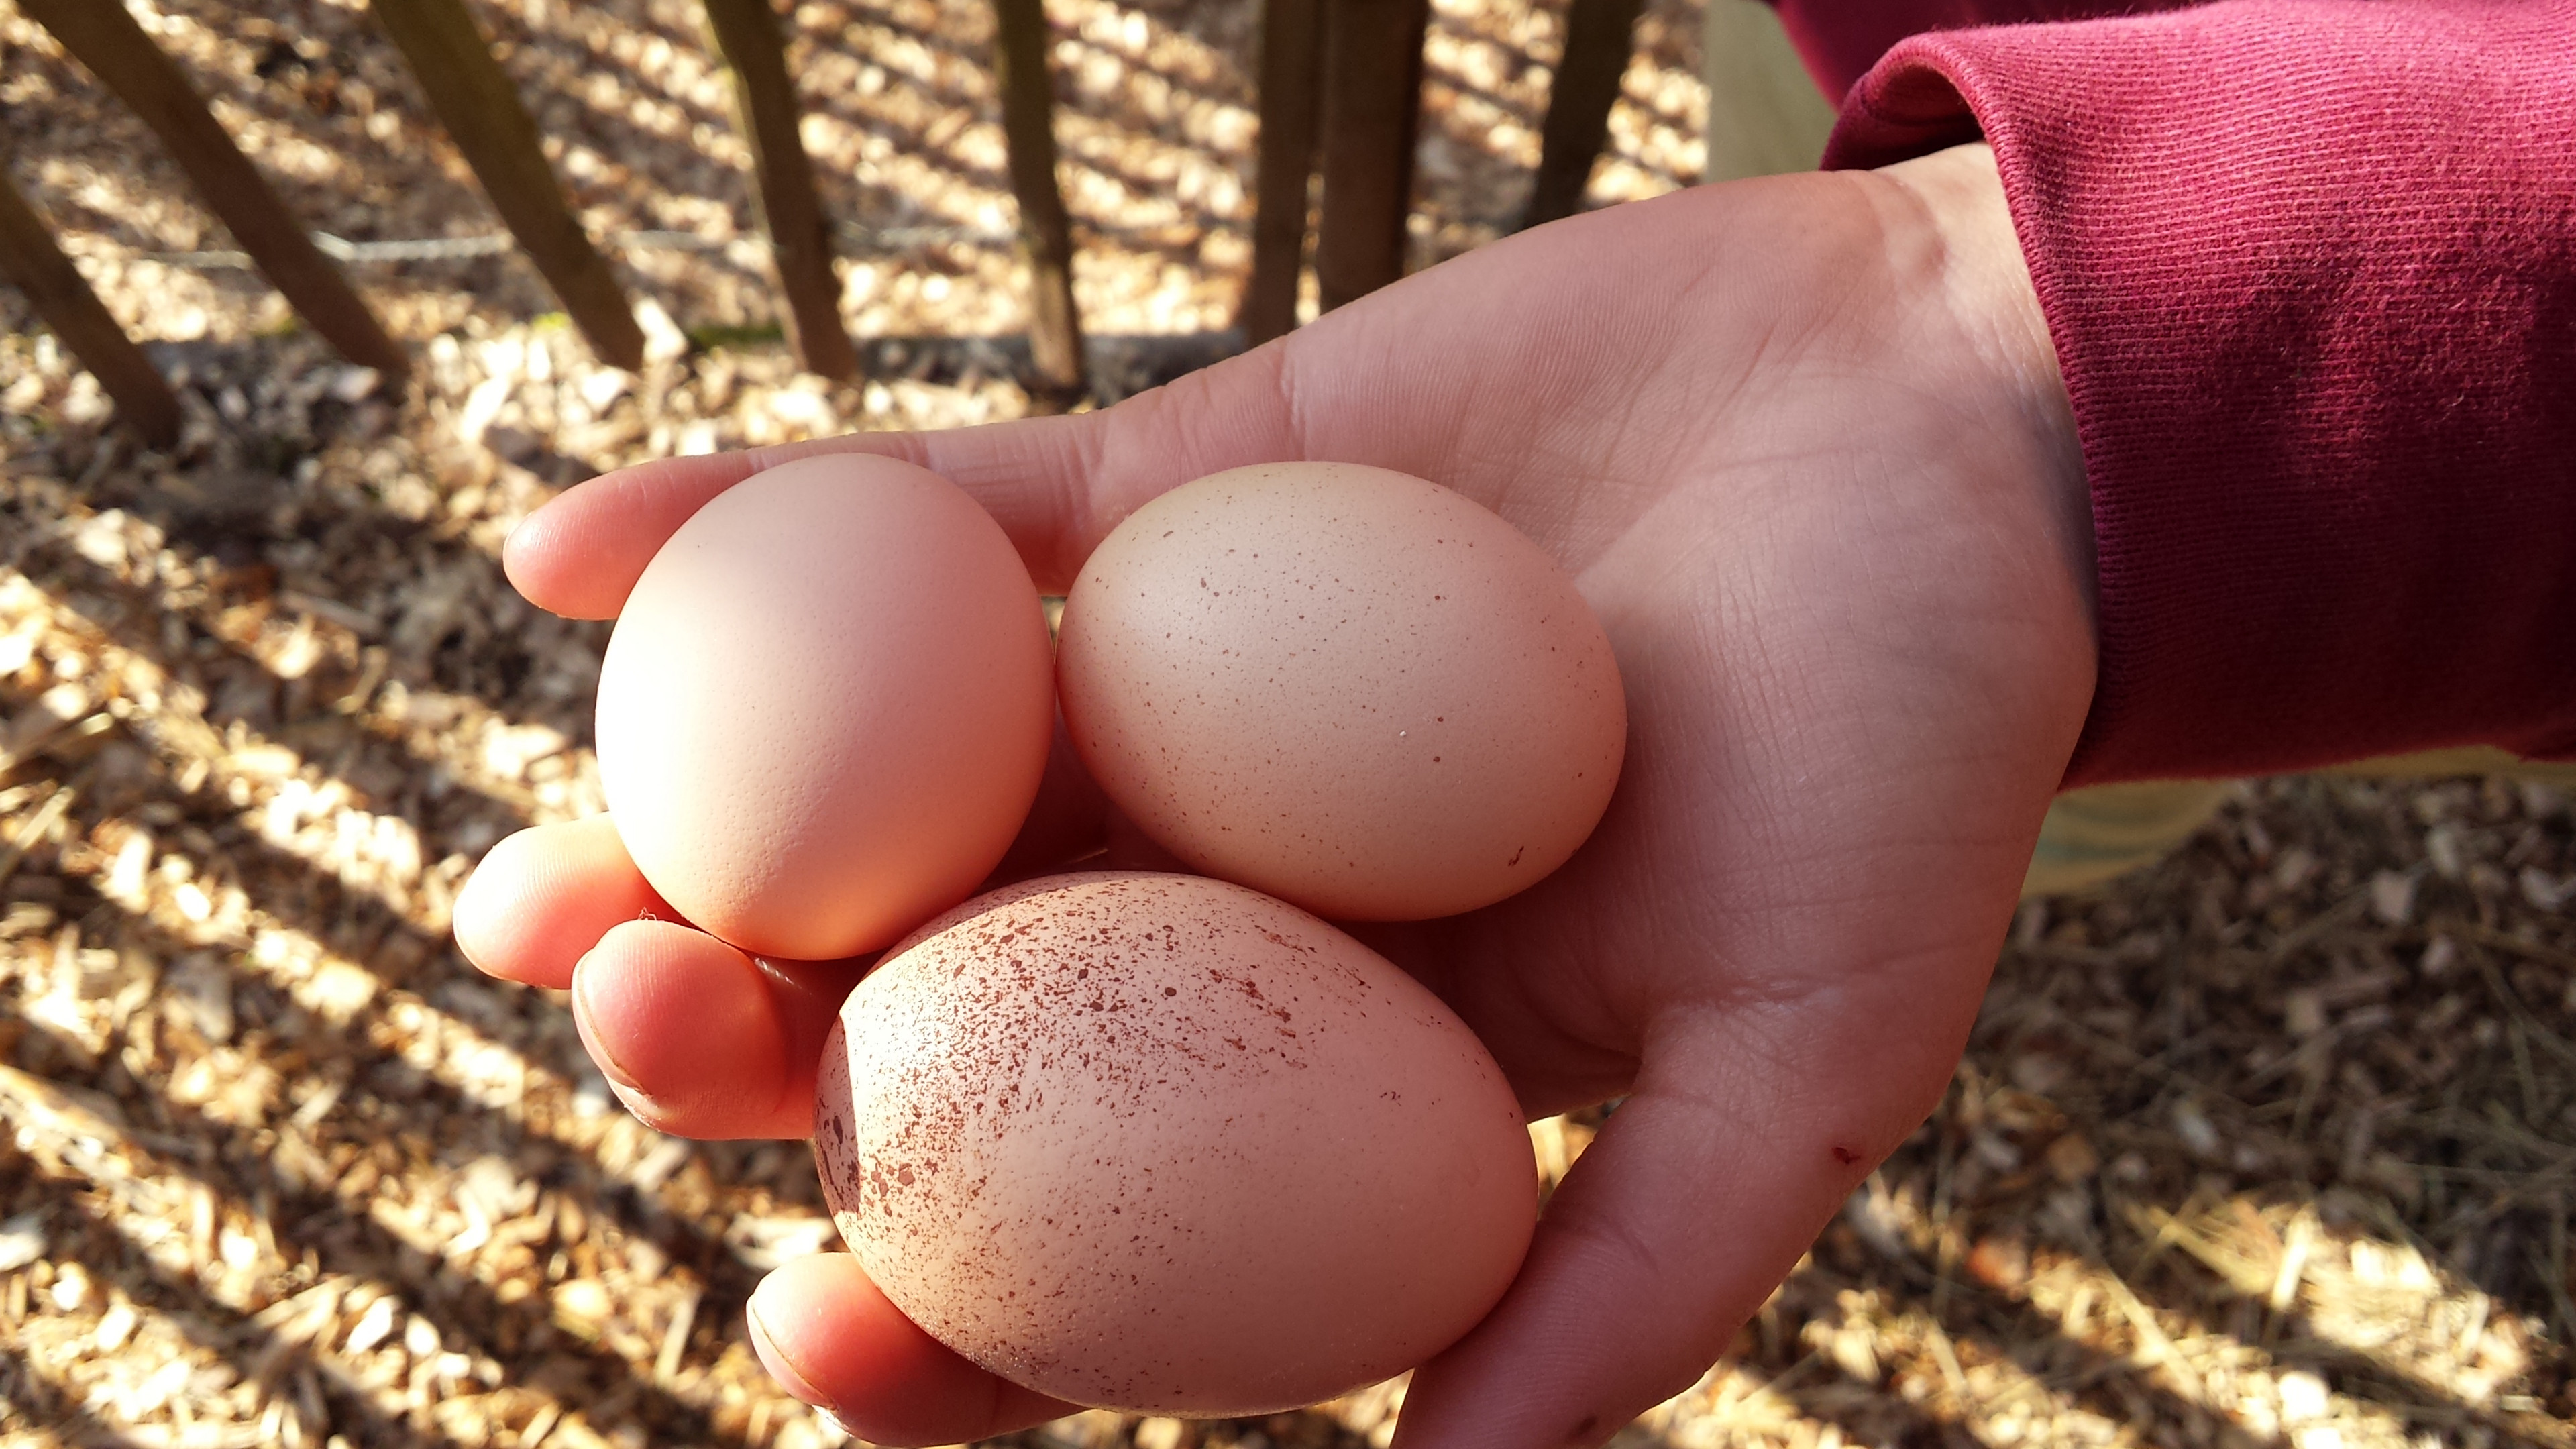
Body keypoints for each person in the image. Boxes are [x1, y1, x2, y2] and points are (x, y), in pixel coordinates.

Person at [452, 2, 2575, 1444]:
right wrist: (2003, 340)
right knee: (2082, 734)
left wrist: (2017, 370)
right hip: (1940, 92)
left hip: (2255, 235)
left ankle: (2095, 794)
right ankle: (2096, 726)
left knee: (2089, 783)